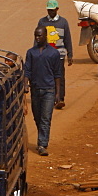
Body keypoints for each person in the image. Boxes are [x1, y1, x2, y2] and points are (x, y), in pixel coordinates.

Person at [24, 26, 63, 156]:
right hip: (35, 90)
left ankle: (42, 144)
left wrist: (58, 94)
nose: (37, 38)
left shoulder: (54, 53)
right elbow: (27, 70)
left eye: (39, 35)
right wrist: (26, 85)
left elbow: (58, 75)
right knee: (37, 117)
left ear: (45, 36)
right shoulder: (31, 53)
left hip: (49, 91)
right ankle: (42, 137)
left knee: (46, 118)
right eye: (36, 35)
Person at [37, 0, 73, 108]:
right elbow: (37, 38)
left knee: (60, 77)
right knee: (47, 77)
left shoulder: (63, 22)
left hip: (59, 55)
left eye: (52, 10)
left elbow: (67, 39)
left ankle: (60, 98)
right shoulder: (42, 22)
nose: (50, 12)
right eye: (49, 10)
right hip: (45, 56)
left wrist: (70, 54)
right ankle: (49, 98)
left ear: (57, 9)